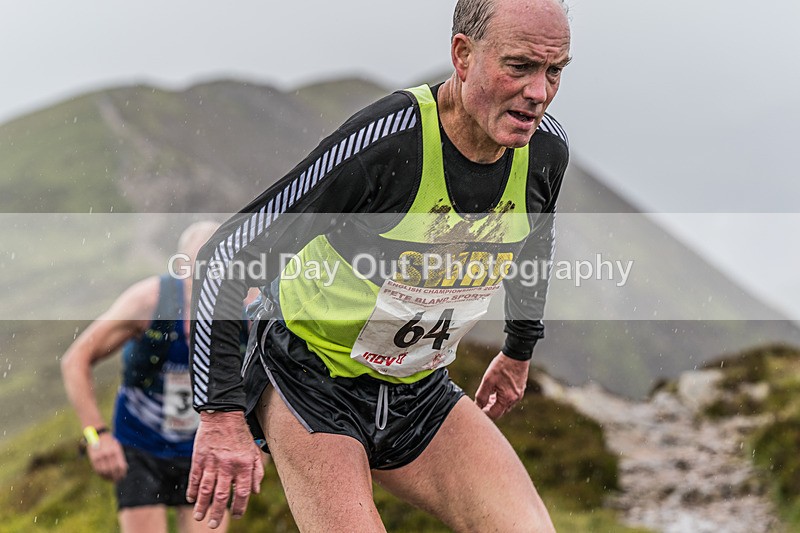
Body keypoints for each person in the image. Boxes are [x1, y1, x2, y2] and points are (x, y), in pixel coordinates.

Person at [188, 0, 571, 530]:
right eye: (519, 66)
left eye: (555, 71)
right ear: (463, 55)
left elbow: (534, 242)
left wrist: (518, 351)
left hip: (419, 387)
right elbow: (226, 255)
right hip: (310, 378)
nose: (539, 92)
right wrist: (221, 414)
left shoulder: (545, 151)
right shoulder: (389, 143)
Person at [61, 221, 235, 533]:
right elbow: (76, 359)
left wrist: (256, 443)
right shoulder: (148, 301)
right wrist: (96, 435)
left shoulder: (247, 307)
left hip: (205, 449)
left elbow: (266, 381)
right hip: (140, 446)